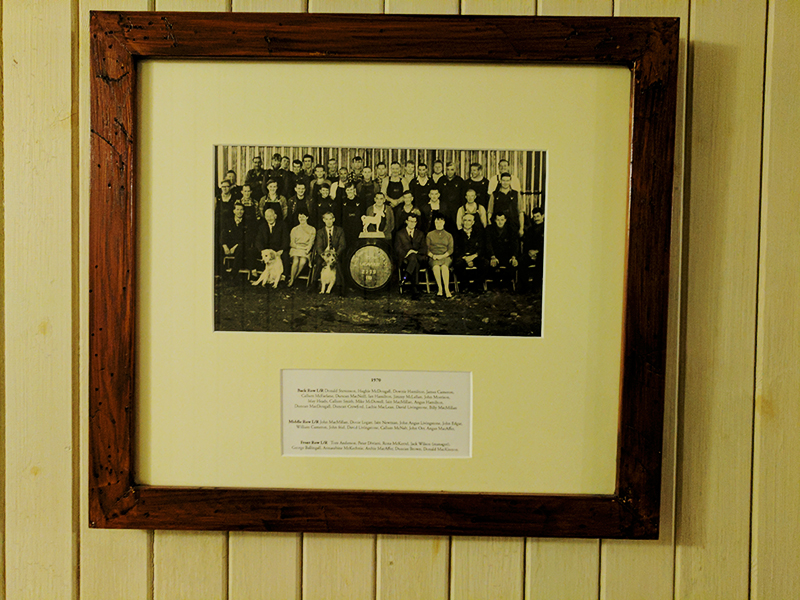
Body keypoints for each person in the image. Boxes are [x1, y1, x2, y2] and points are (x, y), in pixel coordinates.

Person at [395, 213, 427, 296]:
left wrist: (415, 252)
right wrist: (407, 254)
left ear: (416, 223)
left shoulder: (420, 234)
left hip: (419, 258)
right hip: (405, 259)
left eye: (414, 222)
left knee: (414, 258)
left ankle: (405, 278)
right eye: (410, 221)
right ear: (406, 221)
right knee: (414, 261)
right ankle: (414, 288)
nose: (412, 223)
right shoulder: (400, 234)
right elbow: (398, 248)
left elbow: (424, 248)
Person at [312, 211, 346, 289]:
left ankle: (340, 286)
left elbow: (342, 245)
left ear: (333, 219)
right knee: (319, 262)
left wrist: (335, 254)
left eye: (330, 219)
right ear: (323, 220)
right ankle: (314, 283)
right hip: (324, 254)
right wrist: (324, 256)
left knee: (337, 264)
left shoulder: (339, 230)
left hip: (335, 254)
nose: (328, 221)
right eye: (326, 219)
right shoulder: (320, 232)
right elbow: (318, 246)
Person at [454, 212, 486, 292]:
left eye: (469, 220)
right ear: (462, 222)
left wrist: (473, 256)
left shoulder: (478, 234)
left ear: (473, 222)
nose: (467, 223)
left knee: (484, 263)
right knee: (458, 264)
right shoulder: (457, 234)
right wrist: (465, 258)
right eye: (465, 220)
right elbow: (456, 249)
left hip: (474, 256)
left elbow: (481, 247)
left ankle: (478, 285)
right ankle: (465, 286)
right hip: (463, 257)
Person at [486, 212, 519, 288]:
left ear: (505, 220)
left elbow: (515, 244)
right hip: (494, 254)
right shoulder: (489, 229)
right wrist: (492, 256)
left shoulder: (511, 229)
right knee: (492, 265)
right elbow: (488, 244)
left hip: (507, 254)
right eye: (498, 220)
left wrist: (514, 256)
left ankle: (507, 285)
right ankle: (495, 286)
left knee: (512, 264)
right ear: (495, 220)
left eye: (502, 220)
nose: (500, 222)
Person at [254, 207, 289, 276]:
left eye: (271, 216)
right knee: (252, 251)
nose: (269, 218)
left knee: (285, 256)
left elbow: (286, 239)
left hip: (278, 249)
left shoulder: (282, 225)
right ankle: (254, 272)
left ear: (275, 216)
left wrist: (281, 250)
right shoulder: (262, 227)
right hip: (266, 249)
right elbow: (258, 240)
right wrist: (262, 250)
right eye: (267, 216)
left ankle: (284, 276)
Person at [426, 212, 455, 297]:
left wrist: (443, 256)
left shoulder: (448, 235)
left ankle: (446, 289)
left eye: (440, 222)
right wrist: (433, 256)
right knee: (436, 267)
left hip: (445, 256)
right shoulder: (429, 235)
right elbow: (426, 249)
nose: (438, 224)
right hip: (434, 257)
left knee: (444, 267)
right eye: (436, 222)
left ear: (444, 222)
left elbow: (451, 249)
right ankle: (440, 288)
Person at [488, 172, 524, 236]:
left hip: (513, 225)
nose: (505, 183)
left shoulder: (516, 194)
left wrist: (521, 228)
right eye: (503, 180)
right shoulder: (494, 194)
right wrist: (490, 226)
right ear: (500, 181)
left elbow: (520, 212)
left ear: (510, 181)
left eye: (507, 181)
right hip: (498, 227)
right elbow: (490, 211)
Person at [220, 202, 249, 276]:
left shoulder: (247, 222)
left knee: (241, 249)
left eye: (241, 210)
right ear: (234, 211)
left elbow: (246, 238)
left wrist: (234, 247)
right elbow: (223, 235)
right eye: (237, 209)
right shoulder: (228, 222)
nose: (239, 212)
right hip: (228, 244)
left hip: (239, 245)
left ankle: (233, 274)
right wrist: (225, 246)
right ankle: (222, 274)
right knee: (217, 249)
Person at [288, 210, 316, 287]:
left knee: (303, 261)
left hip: (306, 250)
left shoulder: (312, 229)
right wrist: (299, 247)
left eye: (303, 217)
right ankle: (292, 281)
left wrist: (307, 249)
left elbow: (311, 242)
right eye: (300, 217)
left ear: (307, 217)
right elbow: (292, 243)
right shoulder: (294, 229)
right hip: (296, 249)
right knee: (296, 261)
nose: (301, 219)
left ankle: (293, 279)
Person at [521, 207, 545, 292]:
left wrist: (537, 252)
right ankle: (524, 287)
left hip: (541, 253)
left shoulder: (546, 228)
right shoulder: (530, 229)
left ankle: (536, 287)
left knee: (540, 260)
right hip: (531, 253)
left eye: (538, 216)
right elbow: (526, 242)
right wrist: (529, 252)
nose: (536, 219)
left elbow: (546, 244)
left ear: (543, 216)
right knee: (522, 260)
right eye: (534, 217)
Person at [340, 182, 365, 249]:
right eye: (348, 190)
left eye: (351, 189)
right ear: (345, 191)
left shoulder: (360, 201)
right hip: (346, 229)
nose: (350, 192)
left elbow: (363, 216)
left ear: (354, 190)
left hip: (357, 229)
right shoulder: (342, 201)